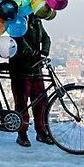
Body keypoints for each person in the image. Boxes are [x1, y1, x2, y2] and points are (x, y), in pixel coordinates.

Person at [8, 16, 54, 147]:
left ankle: (41, 131)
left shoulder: (36, 21)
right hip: (20, 68)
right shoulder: (17, 19)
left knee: (40, 101)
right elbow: (18, 38)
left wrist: (44, 51)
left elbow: (45, 37)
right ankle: (22, 134)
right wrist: (28, 51)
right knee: (22, 103)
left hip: (35, 68)